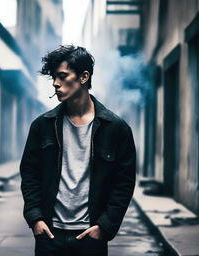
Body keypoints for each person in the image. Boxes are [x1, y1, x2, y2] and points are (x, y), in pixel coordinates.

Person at [20, 45, 136, 256]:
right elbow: (29, 174)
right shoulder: (43, 125)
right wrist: (35, 218)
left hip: (90, 237)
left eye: (62, 76)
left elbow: (124, 183)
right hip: (50, 235)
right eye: (54, 77)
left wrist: (105, 226)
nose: (55, 83)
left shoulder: (116, 129)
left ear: (84, 77)